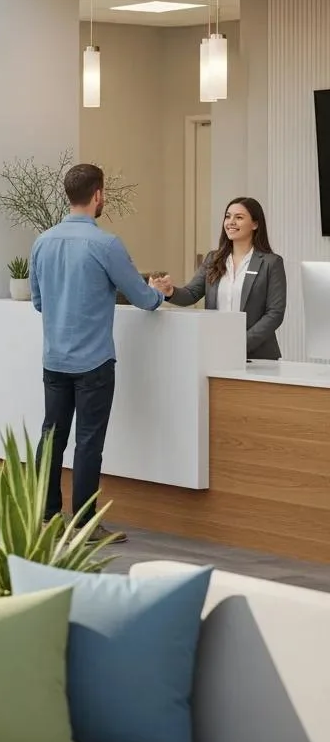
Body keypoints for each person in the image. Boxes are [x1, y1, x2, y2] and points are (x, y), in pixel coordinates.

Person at [30, 163, 165, 543]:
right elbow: (143, 299)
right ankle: (84, 523)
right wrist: (158, 291)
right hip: (94, 362)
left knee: (51, 436)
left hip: (54, 358)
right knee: (88, 441)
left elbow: (38, 301)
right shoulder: (106, 244)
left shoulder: (42, 241)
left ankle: (46, 516)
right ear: (98, 195)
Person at [151, 196, 286, 360]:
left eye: (239, 217)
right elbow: (191, 294)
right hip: (216, 351)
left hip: (257, 355)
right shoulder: (213, 258)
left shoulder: (271, 263)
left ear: (255, 224)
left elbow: (275, 314)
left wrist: (239, 343)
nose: (231, 222)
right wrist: (169, 291)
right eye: (228, 216)